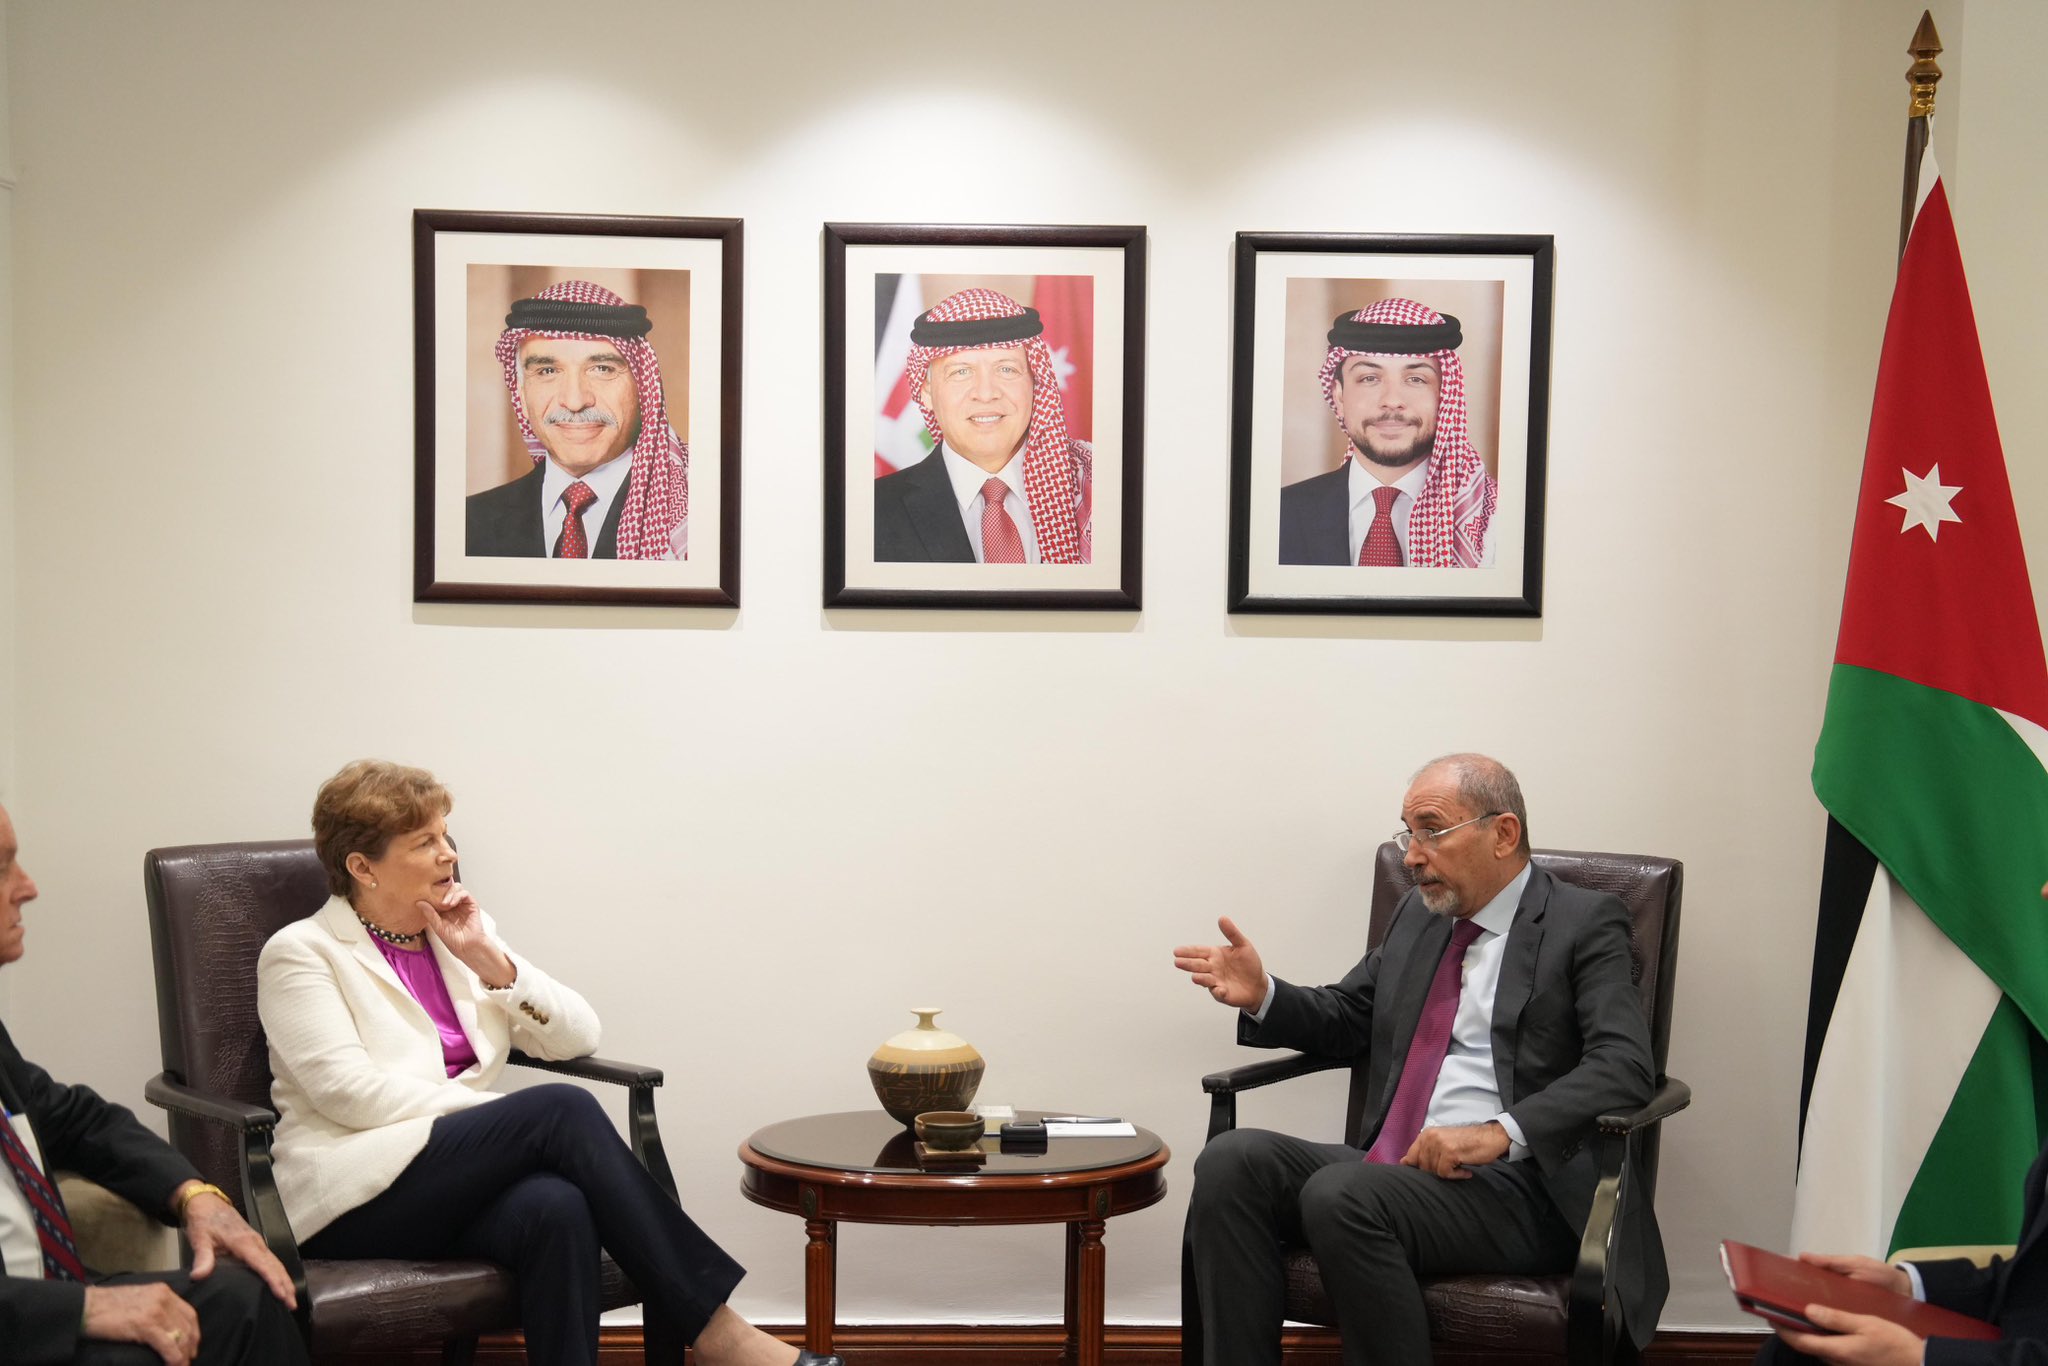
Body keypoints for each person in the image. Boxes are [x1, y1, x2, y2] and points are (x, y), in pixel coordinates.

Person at [257, 760, 837, 1366]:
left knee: (556, 1207)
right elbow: (346, 1093)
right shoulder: (302, 953)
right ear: (362, 867)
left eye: (446, 835)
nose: (449, 854)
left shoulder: (458, 939)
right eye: (425, 842)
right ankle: (719, 1332)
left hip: (445, 1186)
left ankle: (707, 1332)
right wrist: (500, 1120)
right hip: (349, 1195)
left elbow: (579, 1035)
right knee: (558, 1109)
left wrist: (492, 962)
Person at [1172, 753, 1663, 1366]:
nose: (1411, 856)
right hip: (1398, 1168)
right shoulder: (1421, 914)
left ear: (1503, 833)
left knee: (1342, 1193)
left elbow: (1623, 1064)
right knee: (1232, 1162)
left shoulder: (1582, 921)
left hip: (1524, 1187)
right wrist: (1265, 994)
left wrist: (1498, 1133)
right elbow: (1350, 1015)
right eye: (1409, 833)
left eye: (1432, 831)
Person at [0, 802, 305, 1366]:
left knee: (249, 1298)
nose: (28, 888)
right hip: (24, 1324)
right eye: (2, 869)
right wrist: (84, 1310)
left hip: (47, 1297)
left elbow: (75, 1119)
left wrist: (194, 1195)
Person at [465, 279, 690, 561]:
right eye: (547, 371)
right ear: (521, 394)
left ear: (643, 387)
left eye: (602, 369)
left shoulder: (695, 516)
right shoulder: (468, 524)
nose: (574, 401)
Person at [873, 287, 1092, 564]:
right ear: (926, 392)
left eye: (1006, 369)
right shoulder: (871, 512)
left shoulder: (1095, 488)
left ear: (1035, 382)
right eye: (961, 372)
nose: (986, 393)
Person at [1279, 298, 1497, 568]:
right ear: (1339, 396)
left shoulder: (1494, 523)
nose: (1392, 400)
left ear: (1445, 396)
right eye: (1369, 378)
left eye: (1416, 379)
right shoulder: (1278, 514)